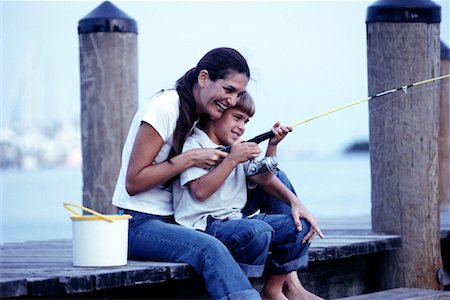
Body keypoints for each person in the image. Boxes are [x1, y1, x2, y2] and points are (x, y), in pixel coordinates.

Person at [112, 47, 262, 300]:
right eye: (228, 90)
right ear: (203, 78)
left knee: (270, 179)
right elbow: (133, 182)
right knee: (209, 249)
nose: (233, 101)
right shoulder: (165, 108)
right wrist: (189, 158)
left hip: (179, 218)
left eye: (239, 94)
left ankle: (287, 280)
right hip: (138, 224)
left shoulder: (197, 113)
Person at [173, 93, 324, 300]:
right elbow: (199, 192)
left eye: (246, 121)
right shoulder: (194, 145)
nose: (242, 126)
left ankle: (274, 289)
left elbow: (263, 179)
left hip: (234, 220)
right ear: (215, 114)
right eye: (237, 118)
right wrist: (232, 160)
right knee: (257, 231)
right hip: (205, 225)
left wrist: (272, 146)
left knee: (300, 225)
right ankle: (242, 290)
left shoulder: (238, 145)